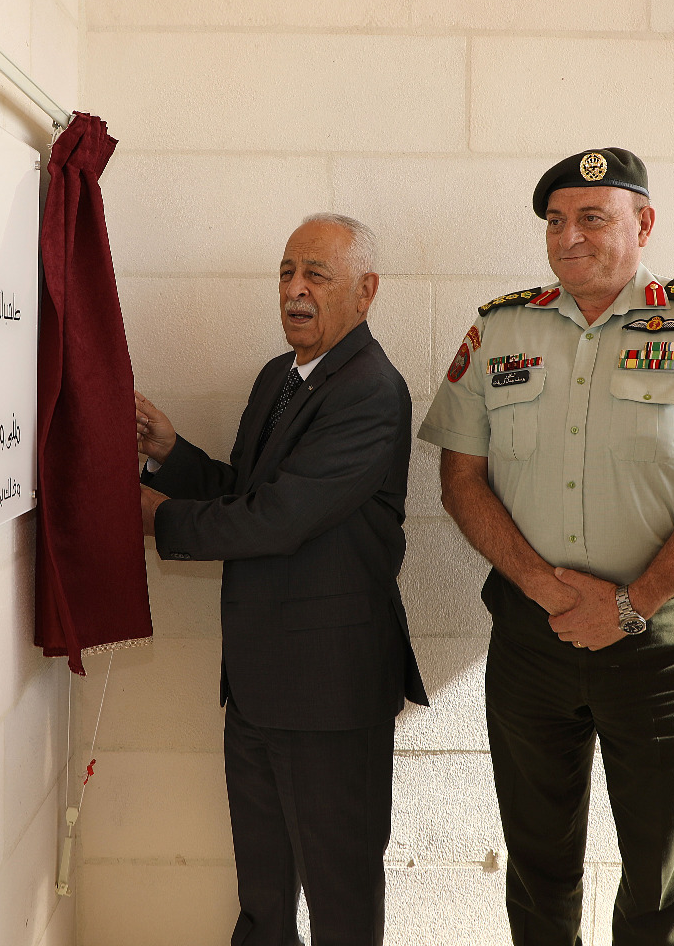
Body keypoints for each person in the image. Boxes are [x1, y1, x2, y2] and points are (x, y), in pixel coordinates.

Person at [418, 148, 674, 946]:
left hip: (658, 645)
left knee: (662, 874)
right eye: (556, 221)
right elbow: (461, 481)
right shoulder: (500, 328)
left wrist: (631, 604)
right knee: (537, 863)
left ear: (643, 223)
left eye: (593, 218)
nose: (569, 237)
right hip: (533, 639)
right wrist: (544, 587)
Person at [134, 213, 427, 946]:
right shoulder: (279, 377)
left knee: (339, 898)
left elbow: (278, 520)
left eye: (316, 275)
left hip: (331, 691)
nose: (295, 290)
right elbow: (247, 494)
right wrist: (172, 456)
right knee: (264, 898)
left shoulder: (371, 389)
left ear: (366, 291)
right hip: (258, 685)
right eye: (287, 272)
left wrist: (158, 519)